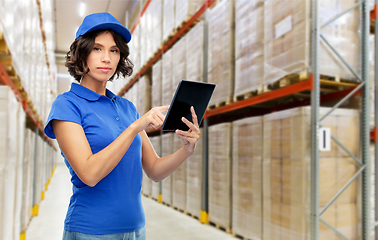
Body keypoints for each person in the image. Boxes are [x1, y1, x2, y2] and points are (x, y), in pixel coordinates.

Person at [44, 12, 200, 240]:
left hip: (136, 229)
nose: (106, 58)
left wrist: (186, 150)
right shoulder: (67, 106)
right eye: (97, 48)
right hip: (91, 231)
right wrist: (135, 127)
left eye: (113, 50)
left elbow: (154, 170)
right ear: (82, 53)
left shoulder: (127, 108)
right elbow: (89, 174)